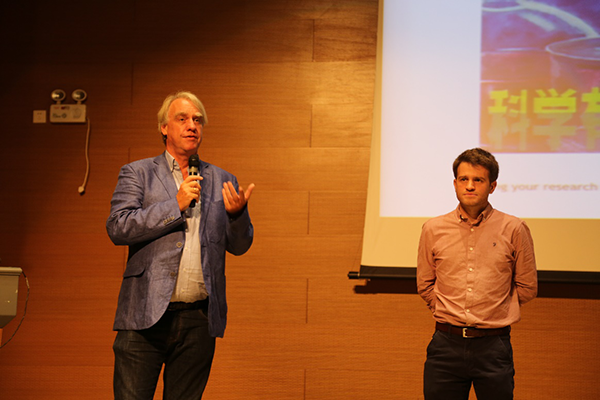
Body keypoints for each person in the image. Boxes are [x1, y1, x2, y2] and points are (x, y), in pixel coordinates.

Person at [106, 91, 255, 400]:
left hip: (197, 318)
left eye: (198, 120)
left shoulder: (223, 179)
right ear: (164, 128)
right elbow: (118, 227)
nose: (192, 126)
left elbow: (240, 246)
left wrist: (237, 216)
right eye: (182, 119)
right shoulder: (138, 173)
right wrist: (175, 205)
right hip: (144, 315)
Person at [416, 148, 537, 400]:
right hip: (445, 344)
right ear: (455, 183)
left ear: (492, 186)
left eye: (478, 180)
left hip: (493, 346)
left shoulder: (514, 228)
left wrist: (496, 310)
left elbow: (527, 286)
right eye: (464, 179)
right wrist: (446, 310)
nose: (469, 186)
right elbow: (425, 284)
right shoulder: (433, 229)